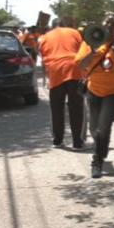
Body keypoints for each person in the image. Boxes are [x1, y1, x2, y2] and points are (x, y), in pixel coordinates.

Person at [75, 13, 114, 178]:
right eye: (107, 23)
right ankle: (101, 148)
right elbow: (81, 66)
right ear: (102, 24)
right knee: (94, 127)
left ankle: (97, 161)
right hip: (94, 90)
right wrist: (93, 50)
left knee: (104, 127)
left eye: (113, 24)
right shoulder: (90, 41)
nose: (109, 26)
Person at [37, 18, 85, 149]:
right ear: (64, 25)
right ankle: (77, 142)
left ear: (52, 27)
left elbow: (42, 59)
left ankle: (58, 140)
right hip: (73, 68)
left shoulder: (45, 37)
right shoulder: (74, 32)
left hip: (55, 70)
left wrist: (47, 77)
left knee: (56, 107)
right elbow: (83, 52)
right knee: (76, 107)